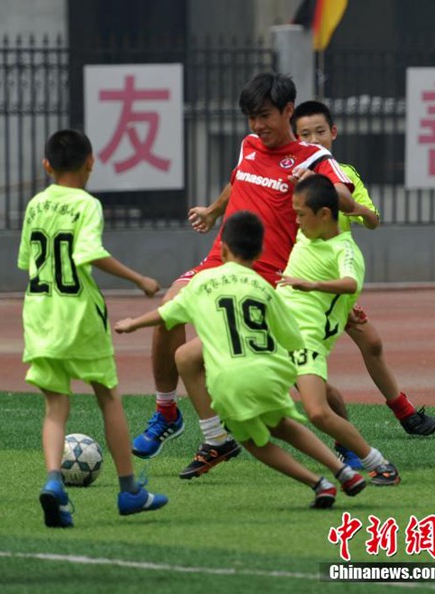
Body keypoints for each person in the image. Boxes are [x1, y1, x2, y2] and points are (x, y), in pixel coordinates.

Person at [131, 73, 366, 479]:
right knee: (171, 305)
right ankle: (169, 413)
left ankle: (346, 440)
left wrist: (316, 183)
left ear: (288, 111)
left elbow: (345, 200)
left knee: (300, 377)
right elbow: (238, 180)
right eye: (251, 118)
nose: (257, 126)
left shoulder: (313, 159)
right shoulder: (249, 145)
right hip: (221, 262)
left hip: (271, 278)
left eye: (265, 116)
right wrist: (214, 210)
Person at [116, 211, 367, 507]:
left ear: (222, 249)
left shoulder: (204, 282)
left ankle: (318, 482)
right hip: (270, 375)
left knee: (255, 442)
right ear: (260, 251)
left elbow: (167, 313)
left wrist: (133, 323)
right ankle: (344, 471)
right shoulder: (267, 288)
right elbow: (290, 336)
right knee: (285, 426)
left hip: (231, 381)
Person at [18, 129, 167, 528]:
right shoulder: (86, 204)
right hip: (78, 315)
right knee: (108, 397)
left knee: (54, 407)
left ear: (46, 165)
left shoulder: (35, 205)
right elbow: (88, 252)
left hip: (39, 314)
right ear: (91, 162)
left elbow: (27, 263)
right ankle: (130, 490)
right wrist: (139, 279)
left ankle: (53, 481)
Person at [291, 100, 435, 468]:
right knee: (301, 367)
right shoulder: (295, 175)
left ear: (334, 132)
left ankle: (403, 415)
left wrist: (351, 206)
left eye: (320, 132)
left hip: (336, 281)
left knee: (370, 343)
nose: (314, 139)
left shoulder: (344, 175)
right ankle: (354, 435)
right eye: (305, 134)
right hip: (305, 282)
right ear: (296, 138)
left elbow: (372, 219)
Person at [277, 175, 400, 486]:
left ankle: (380, 464)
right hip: (277, 328)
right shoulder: (306, 235)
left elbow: (351, 283)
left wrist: (311, 285)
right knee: (195, 356)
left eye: (301, 213)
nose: (296, 219)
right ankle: (217, 436)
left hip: (307, 336)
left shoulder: (344, 249)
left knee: (316, 411)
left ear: (324, 215)